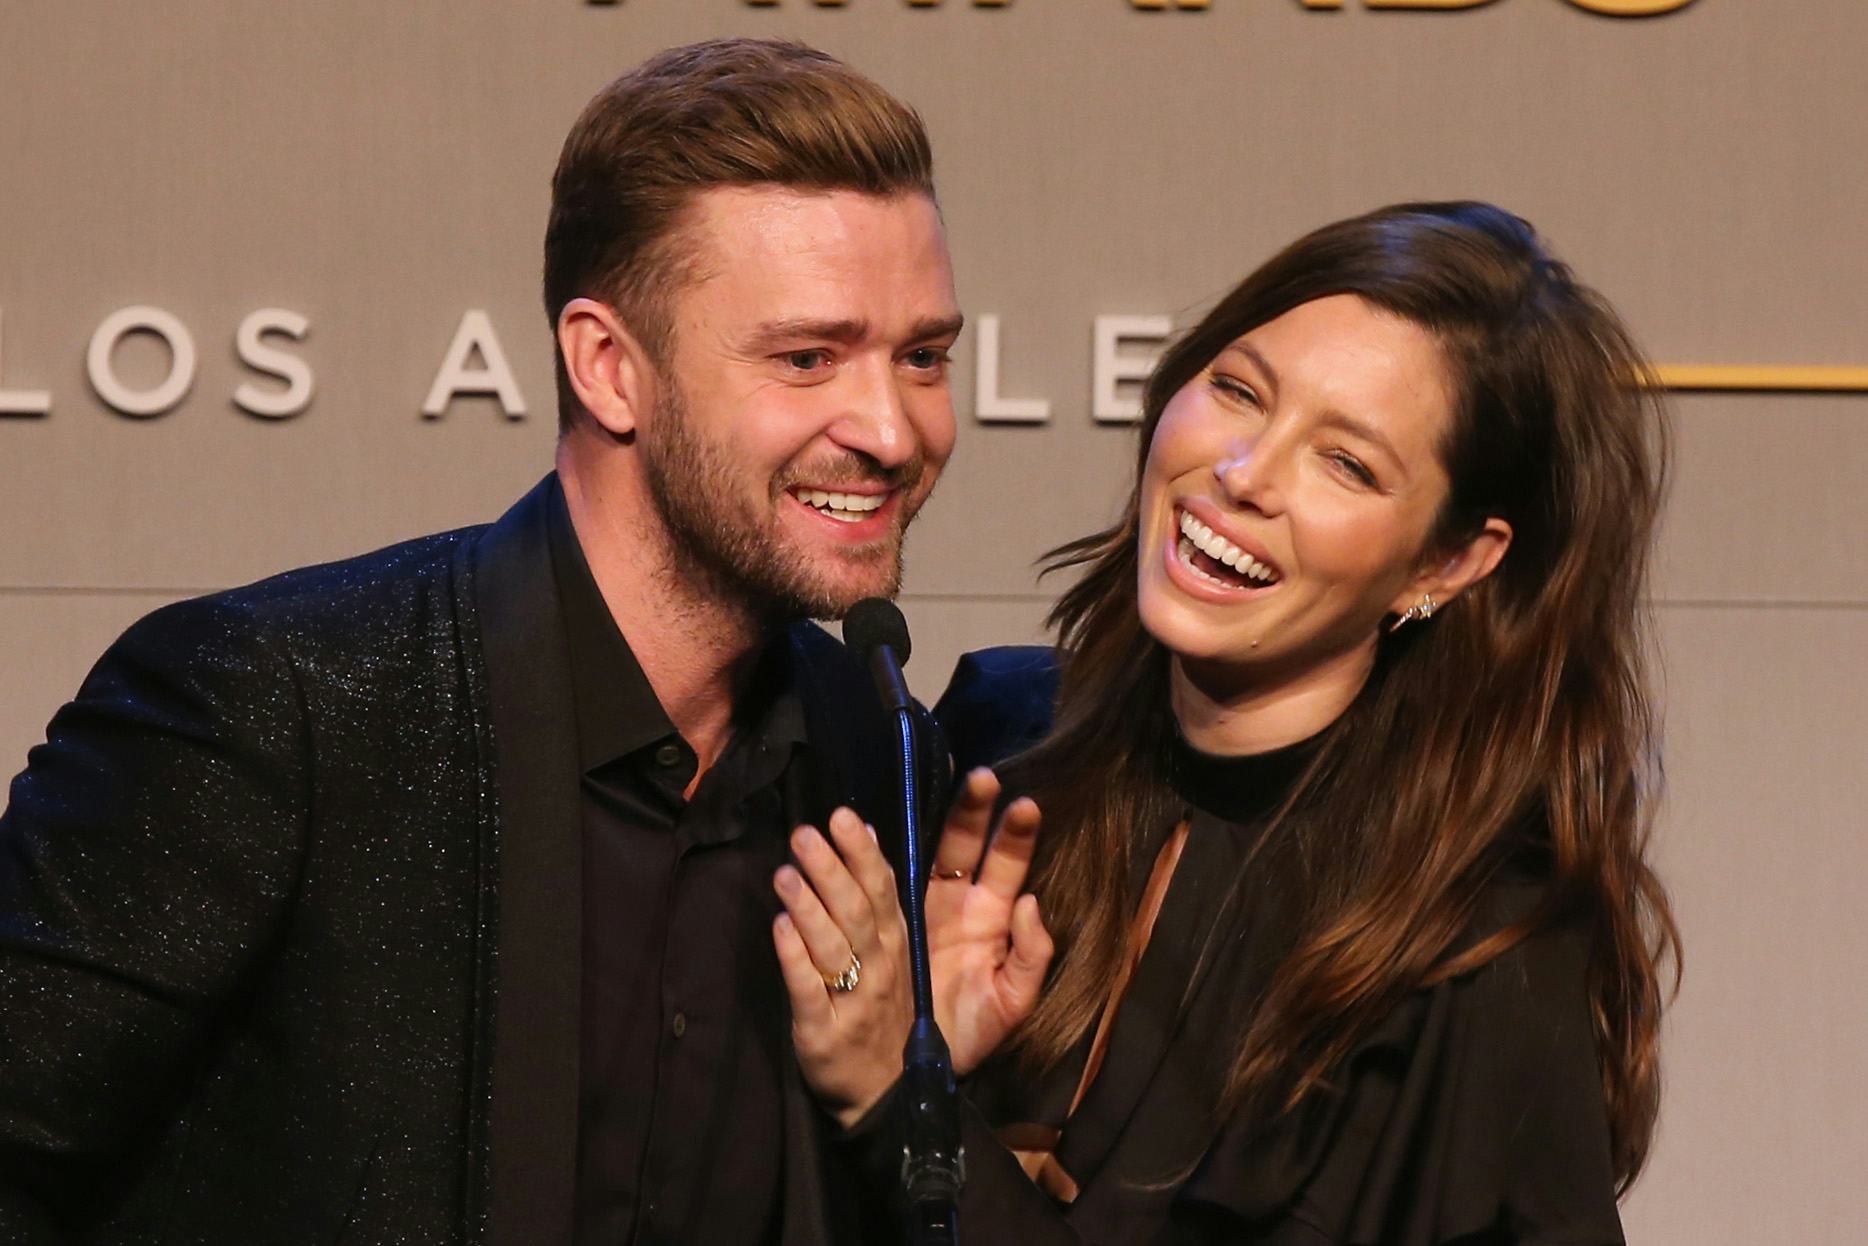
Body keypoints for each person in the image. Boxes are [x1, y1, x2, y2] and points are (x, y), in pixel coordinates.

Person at [0, 38, 965, 1244]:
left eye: (922, 356)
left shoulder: (876, 753)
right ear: (609, 368)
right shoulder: (274, 707)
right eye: (807, 357)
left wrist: (923, 1106)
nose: (889, 425)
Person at [783, 201, 1680, 1244]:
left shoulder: (1476, 955)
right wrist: (928, 1051)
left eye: (1345, 463)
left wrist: (904, 1101)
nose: (1243, 474)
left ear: (1446, 562)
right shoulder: (1000, 744)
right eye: (1238, 390)